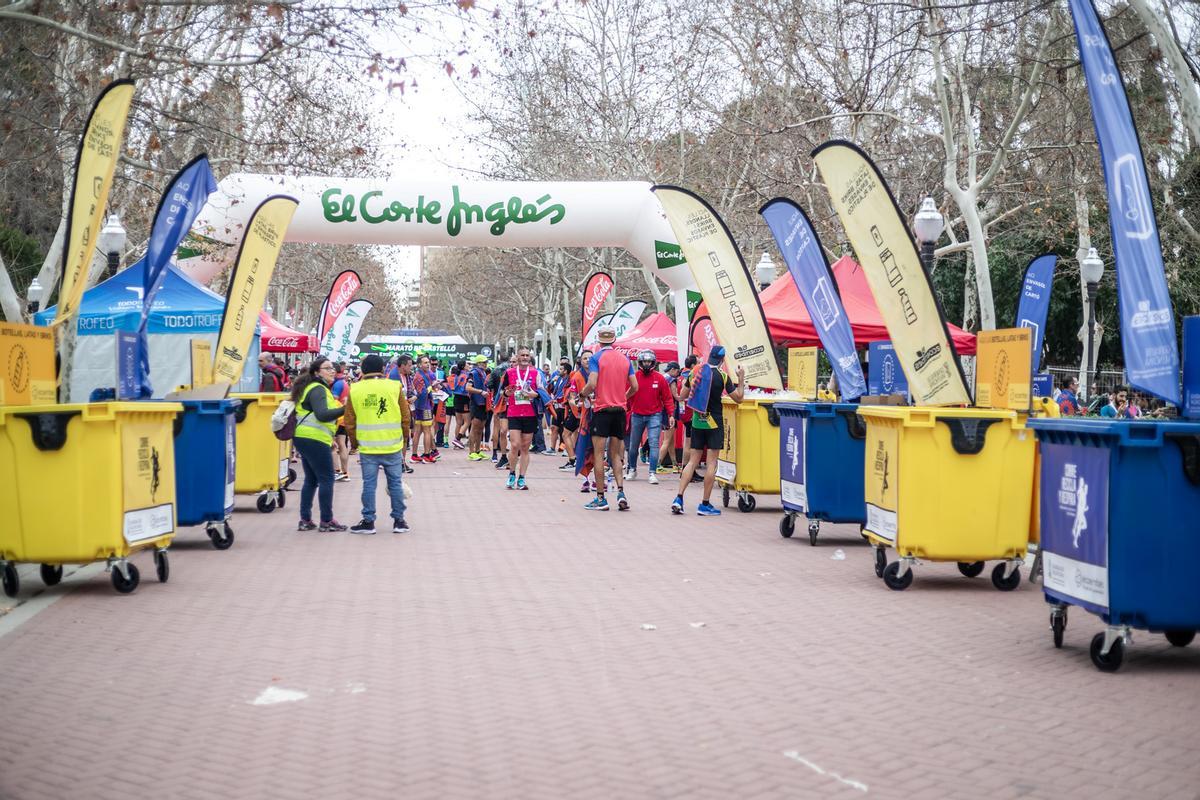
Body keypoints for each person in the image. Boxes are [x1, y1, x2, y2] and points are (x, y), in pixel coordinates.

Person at [671, 346, 744, 516]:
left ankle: (678, 498)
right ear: (721, 360)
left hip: (697, 422)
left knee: (692, 462)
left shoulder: (695, 372)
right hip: (714, 423)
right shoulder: (723, 376)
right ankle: (704, 504)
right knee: (711, 463)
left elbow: (682, 395)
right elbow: (739, 398)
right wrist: (741, 378)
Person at [343, 354, 411, 534]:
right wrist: (404, 438)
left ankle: (368, 521)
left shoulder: (355, 389)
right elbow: (405, 417)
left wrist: (354, 443)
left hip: (368, 447)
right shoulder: (394, 386)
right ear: (382, 369)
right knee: (395, 483)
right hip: (393, 445)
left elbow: (349, 420)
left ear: (363, 370)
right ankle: (399, 521)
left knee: (369, 485)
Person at [579, 327, 637, 511]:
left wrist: (582, 394)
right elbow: (635, 386)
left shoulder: (596, 358)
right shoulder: (624, 358)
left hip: (602, 410)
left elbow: (592, 383)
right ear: (614, 339)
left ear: (598, 340)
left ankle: (601, 498)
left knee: (598, 454)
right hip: (619, 411)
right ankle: (621, 492)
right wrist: (622, 398)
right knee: (616, 455)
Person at [291, 357, 347, 532]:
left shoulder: (313, 388)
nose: (332, 371)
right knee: (326, 478)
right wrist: (346, 409)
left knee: (312, 479)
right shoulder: (318, 389)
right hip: (313, 438)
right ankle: (327, 520)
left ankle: (305, 519)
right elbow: (322, 415)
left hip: (304, 437)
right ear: (317, 372)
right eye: (327, 368)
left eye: (333, 368)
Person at [625, 350, 674, 485]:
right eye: (644, 361)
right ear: (640, 362)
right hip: (637, 415)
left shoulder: (660, 378)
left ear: (653, 363)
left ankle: (652, 472)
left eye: (649, 362)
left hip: (655, 415)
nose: (646, 364)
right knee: (633, 445)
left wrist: (671, 414)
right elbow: (626, 396)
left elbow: (668, 398)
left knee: (654, 444)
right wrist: (627, 409)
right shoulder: (633, 377)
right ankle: (632, 469)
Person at [500, 346, 543, 490]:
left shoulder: (536, 373)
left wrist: (534, 395)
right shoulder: (509, 372)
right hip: (514, 413)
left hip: (530, 414)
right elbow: (502, 393)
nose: (525, 357)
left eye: (527, 355)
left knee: (525, 447)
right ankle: (512, 473)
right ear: (517, 358)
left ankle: (522, 478)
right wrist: (507, 393)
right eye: (522, 355)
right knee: (514, 445)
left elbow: (542, 393)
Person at [411, 355, 441, 462]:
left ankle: (415, 455)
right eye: (425, 363)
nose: (428, 364)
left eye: (428, 362)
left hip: (422, 405)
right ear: (419, 365)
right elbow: (422, 393)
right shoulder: (418, 376)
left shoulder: (426, 374)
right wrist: (431, 386)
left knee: (418, 431)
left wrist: (435, 386)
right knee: (427, 430)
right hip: (424, 406)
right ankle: (427, 455)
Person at [465, 355, 491, 459]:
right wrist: (480, 392)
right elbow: (468, 388)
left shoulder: (484, 373)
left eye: (486, 362)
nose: (485, 364)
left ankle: (478, 450)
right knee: (474, 428)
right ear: (479, 363)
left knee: (481, 428)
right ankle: (471, 453)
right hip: (476, 403)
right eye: (483, 362)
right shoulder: (473, 373)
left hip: (484, 404)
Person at [331, 363, 352, 481]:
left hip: (337, 418)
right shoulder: (343, 382)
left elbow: (333, 401)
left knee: (333, 446)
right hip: (343, 417)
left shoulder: (337, 384)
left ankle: (337, 471)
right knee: (342, 445)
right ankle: (344, 472)